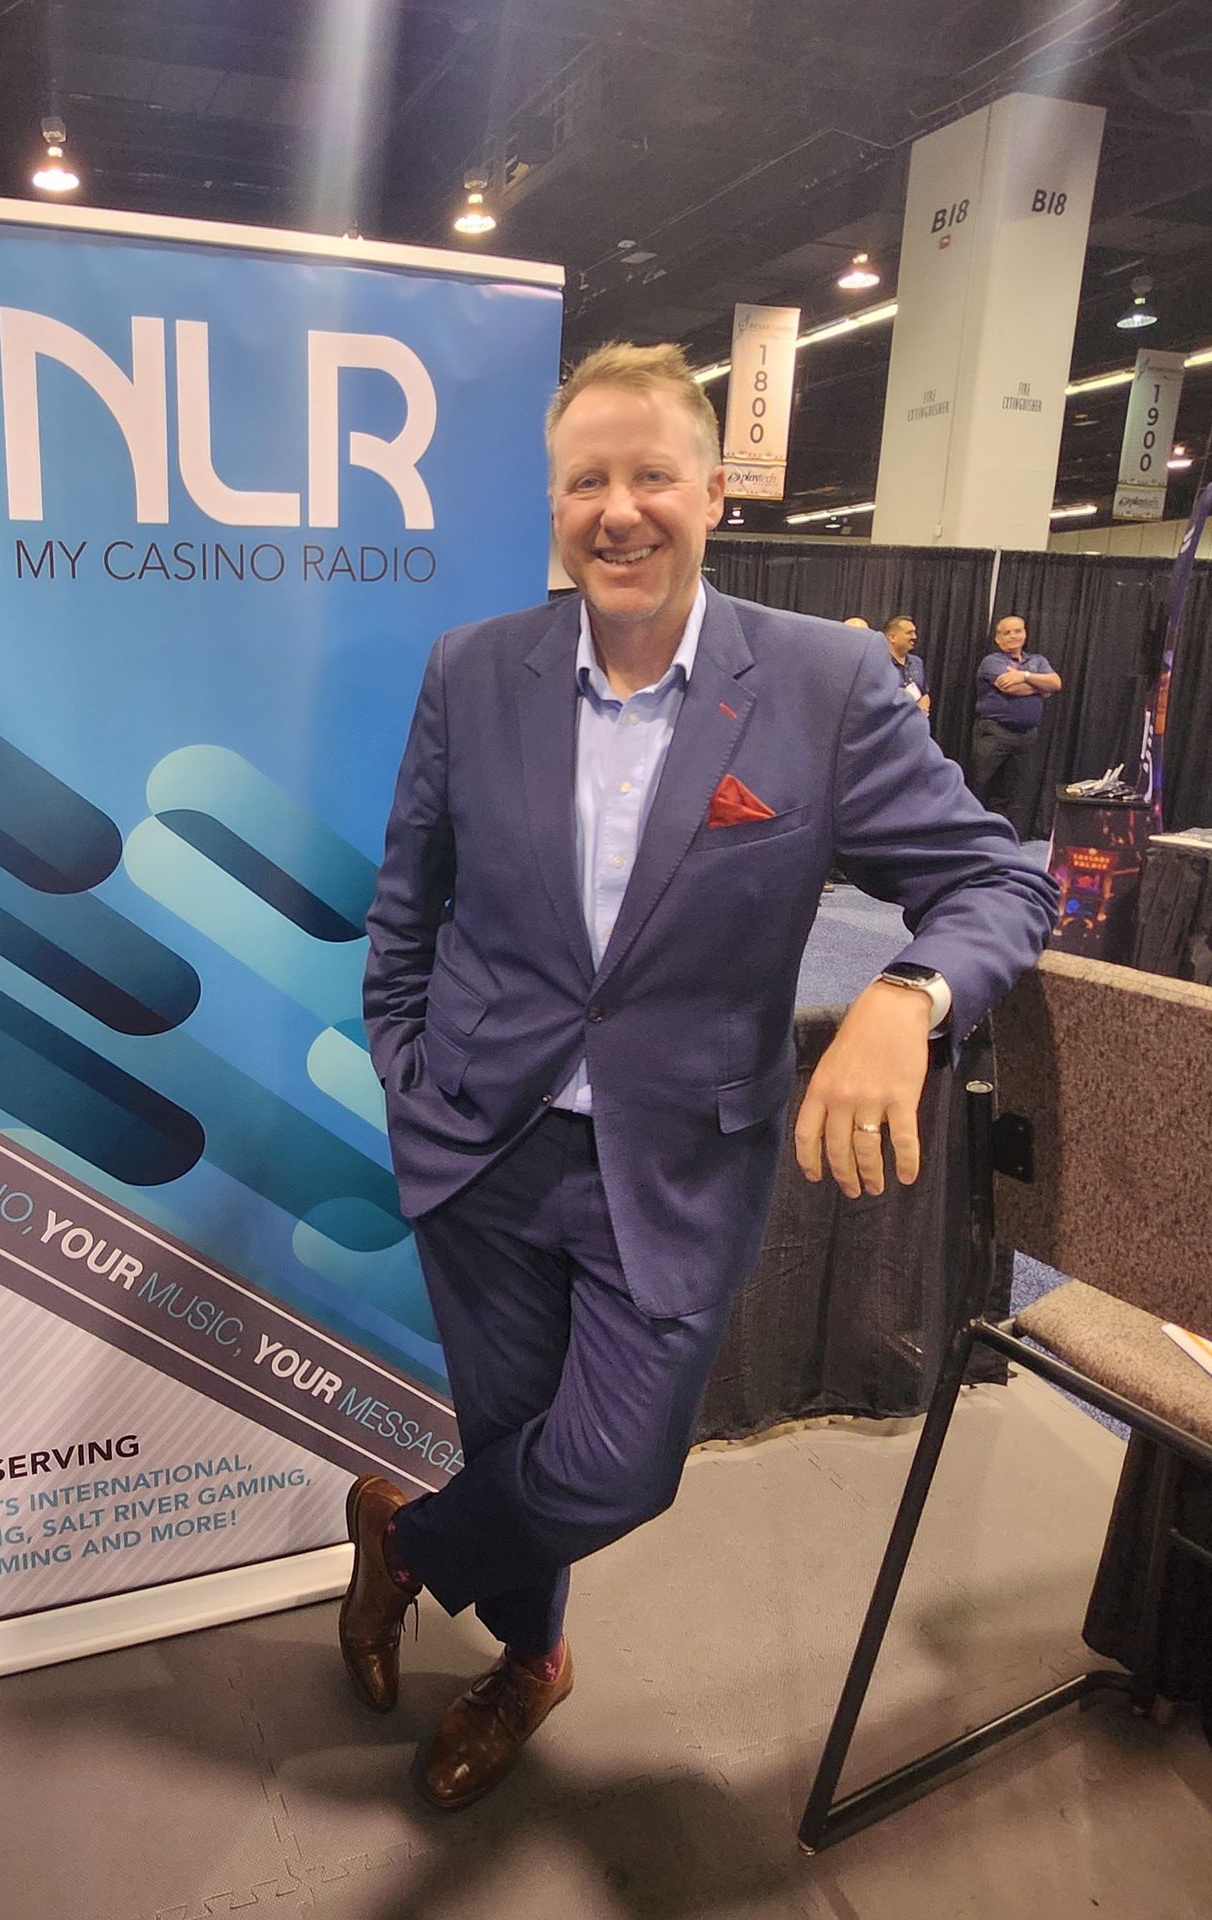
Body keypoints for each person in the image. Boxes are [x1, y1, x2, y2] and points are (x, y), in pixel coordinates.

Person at [346, 341, 1056, 1810]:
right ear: (554, 504)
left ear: (714, 491)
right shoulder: (474, 670)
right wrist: (408, 1069)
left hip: (677, 1162)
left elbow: (997, 880)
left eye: (651, 475)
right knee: (509, 1435)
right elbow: (407, 902)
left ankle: (404, 1544)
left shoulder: (824, 683)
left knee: (615, 1467)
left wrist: (905, 1000)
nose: (619, 510)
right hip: (481, 1144)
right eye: (585, 482)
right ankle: (530, 1662)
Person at [971, 614, 1060, 834]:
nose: (1013, 636)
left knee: (1010, 792)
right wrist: (1041, 687)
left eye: (1017, 631)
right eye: (1007, 632)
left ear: (1025, 634)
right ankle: (970, 835)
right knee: (980, 784)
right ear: (998, 639)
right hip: (995, 733)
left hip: (1026, 736)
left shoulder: (1037, 660)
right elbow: (1010, 688)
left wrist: (1024, 675)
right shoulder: (992, 662)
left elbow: (1056, 683)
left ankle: (999, 836)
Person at [883, 613, 930, 718]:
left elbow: (924, 693)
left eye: (914, 632)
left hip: (915, 723)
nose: (914, 637)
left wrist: (921, 712)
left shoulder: (917, 662)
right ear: (892, 637)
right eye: (909, 633)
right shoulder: (880, 662)